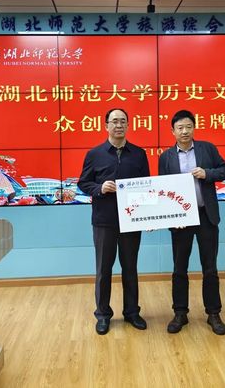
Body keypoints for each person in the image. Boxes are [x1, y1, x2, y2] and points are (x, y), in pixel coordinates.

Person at [158, 109, 225, 335]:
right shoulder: (166, 157)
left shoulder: (207, 149)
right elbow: (163, 190)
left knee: (210, 267)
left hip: (206, 215)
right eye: (180, 128)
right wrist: (172, 216)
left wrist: (207, 174)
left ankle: (213, 313)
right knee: (179, 268)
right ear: (172, 131)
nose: (184, 131)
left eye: (188, 126)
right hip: (181, 220)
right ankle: (180, 313)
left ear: (194, 128)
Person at [78, 108, 150, 335]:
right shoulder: (94, 154)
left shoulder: (139, 154)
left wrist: (147, 216)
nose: (119, 125)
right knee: (103, 269)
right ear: (106, 125)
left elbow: (147, 186)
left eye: (123, 121)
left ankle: (132, 312)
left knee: (130, 268)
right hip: (104, 221)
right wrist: (100, 188)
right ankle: (103, 315)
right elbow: (83, 183)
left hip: (132, 220)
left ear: (128, 125)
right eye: (114, 121)